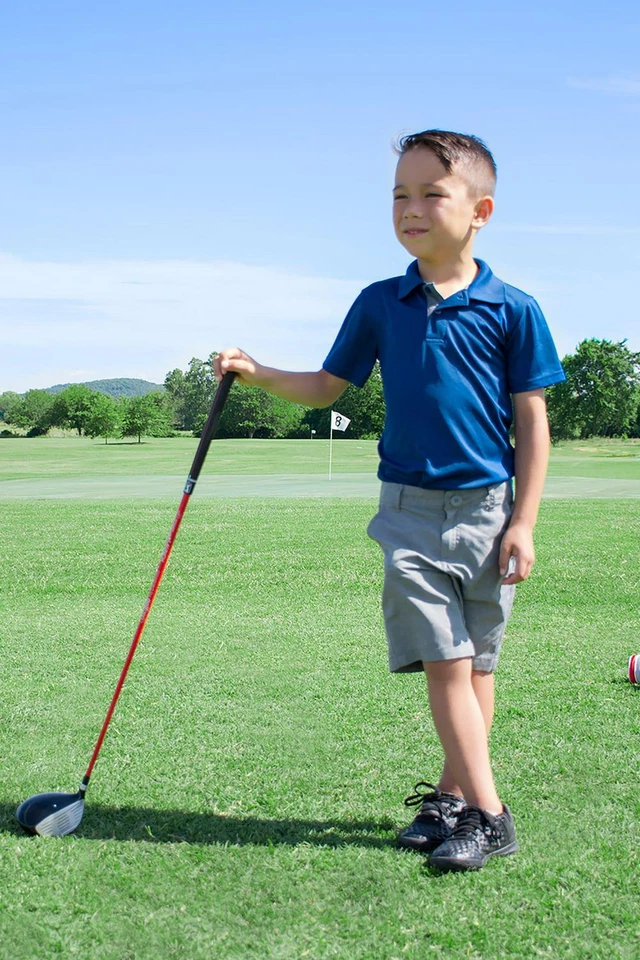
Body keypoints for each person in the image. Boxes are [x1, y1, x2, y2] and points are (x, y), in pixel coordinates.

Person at [216, 129, 565, 871]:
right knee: (444, 661)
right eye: (399, 195)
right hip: (407, 510)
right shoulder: (380, 303)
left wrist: (525, 521)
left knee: (476, 667)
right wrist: (257, 373)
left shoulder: (514, 309)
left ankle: (453, 801)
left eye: (431, 193)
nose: (410, 207)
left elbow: (531, 423)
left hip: (488, 510)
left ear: (481, 211)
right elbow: (325, 387)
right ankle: (492, 815)